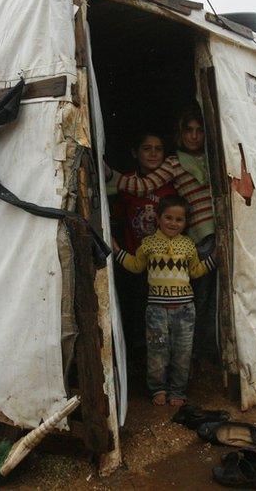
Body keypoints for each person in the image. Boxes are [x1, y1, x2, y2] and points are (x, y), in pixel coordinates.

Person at [107, 109, 220, 362]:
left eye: (199, 130)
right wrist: (107, 174)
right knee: (186, 302)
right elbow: (141, 187)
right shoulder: (173, 163)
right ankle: (174, 357)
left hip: (218, 238)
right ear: (180, 134)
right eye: (188, 130)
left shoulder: (215, 157)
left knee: (213, 300)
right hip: (176, 246)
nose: (194, 136)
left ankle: (200, 354)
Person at [112, 195, 216, 407]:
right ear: (158, 218)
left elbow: (195, 272)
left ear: (186, 223)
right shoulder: (148, 244)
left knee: (182, 353)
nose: (173, 223)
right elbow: (135, 266)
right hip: (157, 310)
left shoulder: (188, 245)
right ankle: (158, 388)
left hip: (186, 309)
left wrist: (215, 257)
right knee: (157, 352)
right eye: (168, 217)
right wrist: (117, 251)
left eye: (179, 220)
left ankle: (177, 390)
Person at [107, 132, 177, 370]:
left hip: (165, 265)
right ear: (135, 153)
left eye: (159, 148)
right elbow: (114, 216)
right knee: (137, 312)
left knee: (165, 317)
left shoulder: (171, 184)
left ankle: (165, 364)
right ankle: (140, 365)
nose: (154, 153)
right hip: (135, 260)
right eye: (147, 148)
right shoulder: (125, 183)